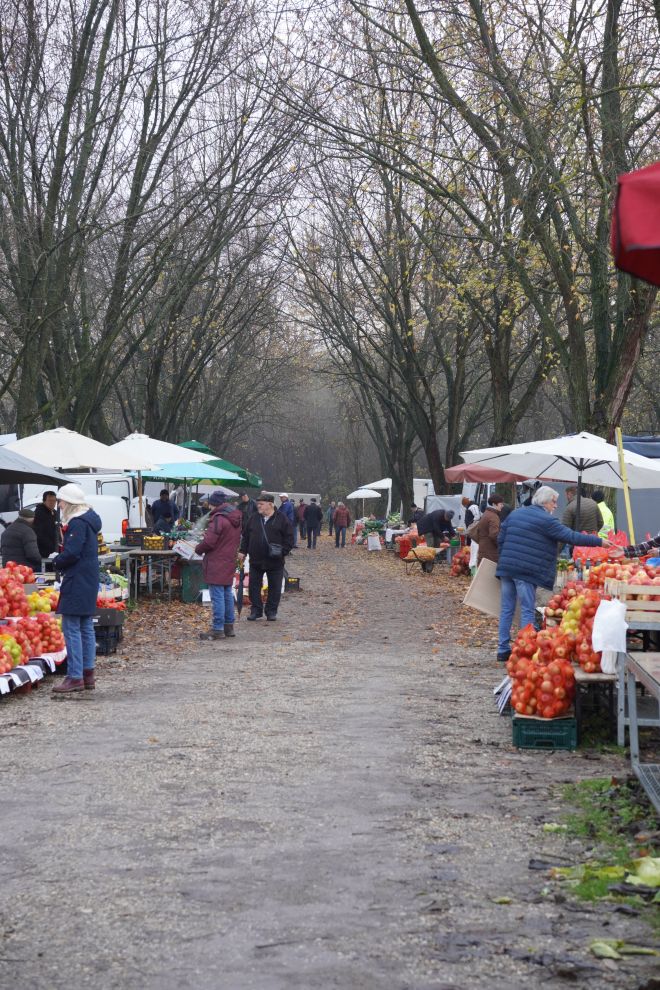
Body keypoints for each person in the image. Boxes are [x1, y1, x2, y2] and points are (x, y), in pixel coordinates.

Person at [496, 485, 609, 664]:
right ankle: (526, 651)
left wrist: (505, 559)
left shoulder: (515, 514)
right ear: (545, 502)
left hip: (507, 568)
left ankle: (502, 649)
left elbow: (500, 538)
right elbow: (571, 536)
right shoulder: (547, 520)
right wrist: (599, 541)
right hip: (525, 570)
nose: (556, 506)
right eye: (554, 502)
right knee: (527, 609)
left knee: (507, 609)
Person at [51, 484, 102, 696]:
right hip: (88, 577)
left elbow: (72, 552)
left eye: (61, 501)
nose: (59, 505)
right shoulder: (90, 520)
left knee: (71, 627)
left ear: (70, 503)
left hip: (77, 578)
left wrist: (57, 561)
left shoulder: (77, 523)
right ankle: (87, 673)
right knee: (85, 626)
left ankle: (75, 676)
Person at [195, 491, 242, 641]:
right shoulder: (235, 517)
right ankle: (229, 627)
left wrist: (198, 548)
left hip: (216, 561)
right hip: (229, 559)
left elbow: (209, 542)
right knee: (227, 593)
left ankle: (217, 629)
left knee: (217, 596)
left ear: (213, 504)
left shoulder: (218, 519)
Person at [239, 493, 294, 621]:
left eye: (261, 504)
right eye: (258, 503)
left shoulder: (282, 519)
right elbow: (246, 536)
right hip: (256, 560)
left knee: (275, 587)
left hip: (275, 561)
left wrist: (282, 552)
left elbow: (289, 539)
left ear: (270, 504)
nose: (258, 506)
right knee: (253, 586)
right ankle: (256, 610)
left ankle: (271, 611)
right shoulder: (254, 518)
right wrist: (242, 551)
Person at [470, 493, 504, 565]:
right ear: (494, 504)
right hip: (490, 551)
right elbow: (494, 535)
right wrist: (501, 545)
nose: (502, 506)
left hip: (484, 548)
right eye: (501, 504)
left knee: (483, 572)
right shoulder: (493, 517)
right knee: (489, 573)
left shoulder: (486, 513)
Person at [33, 491, 60, 558]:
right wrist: (51, 546)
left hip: (55, 548)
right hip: (44, 550)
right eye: (50, 500)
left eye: (54, 501)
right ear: (44, 501)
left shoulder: (55, 512)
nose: (52, 503)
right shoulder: (39, 513)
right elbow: (39, 533)